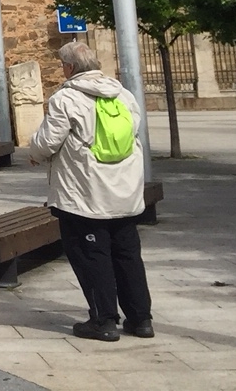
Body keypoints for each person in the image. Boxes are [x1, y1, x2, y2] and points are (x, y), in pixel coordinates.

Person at [29, 41, 153, 342]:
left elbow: (47, 142)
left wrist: (33, 152)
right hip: (123, 191)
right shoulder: (123, 94)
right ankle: (141, 319)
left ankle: (104, 320)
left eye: (62, 65)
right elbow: (134, 129)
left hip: (84, 195)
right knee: (127, 255)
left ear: (69, 67)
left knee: (91, 256)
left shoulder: (66, 98)